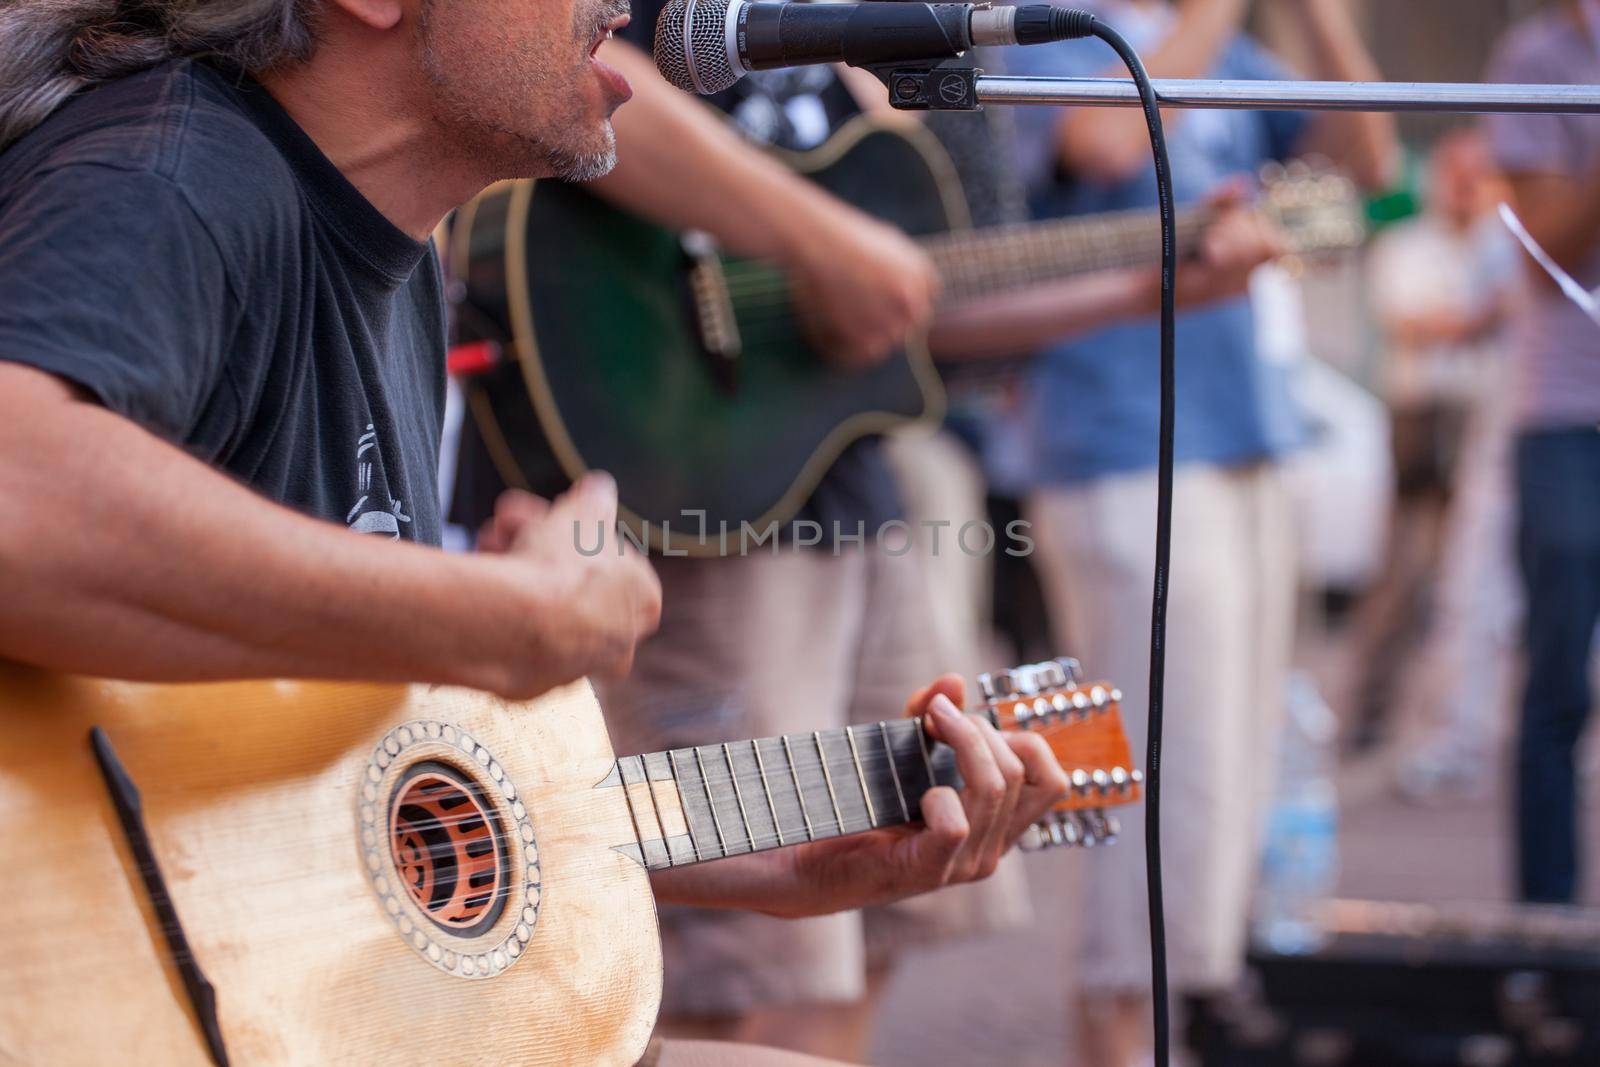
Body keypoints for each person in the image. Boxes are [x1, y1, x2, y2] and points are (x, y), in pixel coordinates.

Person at [0, 3, 1074, 1065]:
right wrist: (509, 616)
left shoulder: (396, 259)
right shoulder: (170, 177)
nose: (621, 5)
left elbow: (303, 809)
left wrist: (762, 865)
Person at [450, 23, 1289, 1058]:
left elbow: (916, 302)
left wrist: (1147, 283)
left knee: (882, 904)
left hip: (852, 487)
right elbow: (567, 72)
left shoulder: (894, 36)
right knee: (719, 966)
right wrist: (814, 239)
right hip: (689, 481)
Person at [1004, 1, 1398, 1064]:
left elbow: (1361, 168)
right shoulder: (1061, 23)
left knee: (1222, 786)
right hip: (1120, 447)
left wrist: (1323, 25)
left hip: (1239, 440)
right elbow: (1099, 138)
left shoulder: (1218, 41)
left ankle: (1162, 1030)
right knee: (1144, 784)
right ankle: (1116, 1035)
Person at [1348, 128, 1517, 754]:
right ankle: (1370, 718)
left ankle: (1450, 727)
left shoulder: (1502, 245)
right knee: (1404, 574)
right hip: (1423, 422)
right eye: (1459, 175)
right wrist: (1482, 317)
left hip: (1484, 417)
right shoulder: (1408, 245)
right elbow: (1412, 322)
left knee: (1471, 583)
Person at [1486, 0, 1600, 906]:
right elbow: (1543, 253)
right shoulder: (1536, 53)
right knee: (1557, 684)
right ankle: (1548, 934)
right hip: (1567, 413)